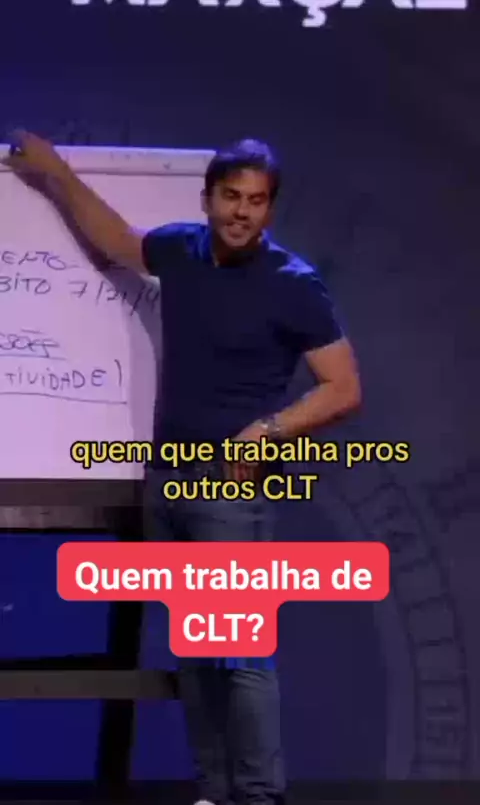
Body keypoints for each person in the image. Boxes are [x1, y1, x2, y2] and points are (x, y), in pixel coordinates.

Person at [3, 131, 361, 805]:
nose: (242, 212)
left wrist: (266, 432)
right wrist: (55, 174)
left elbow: (343, 388)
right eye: (231, 196)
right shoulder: (180, 251)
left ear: (270, 208)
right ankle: (216, 790)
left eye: (256, 201)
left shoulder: (293, 284)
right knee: (194, 652)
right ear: (207, 199)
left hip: (230, 494)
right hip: (169, 483)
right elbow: (116, 238)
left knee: (241, 655)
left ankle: (260, 795)